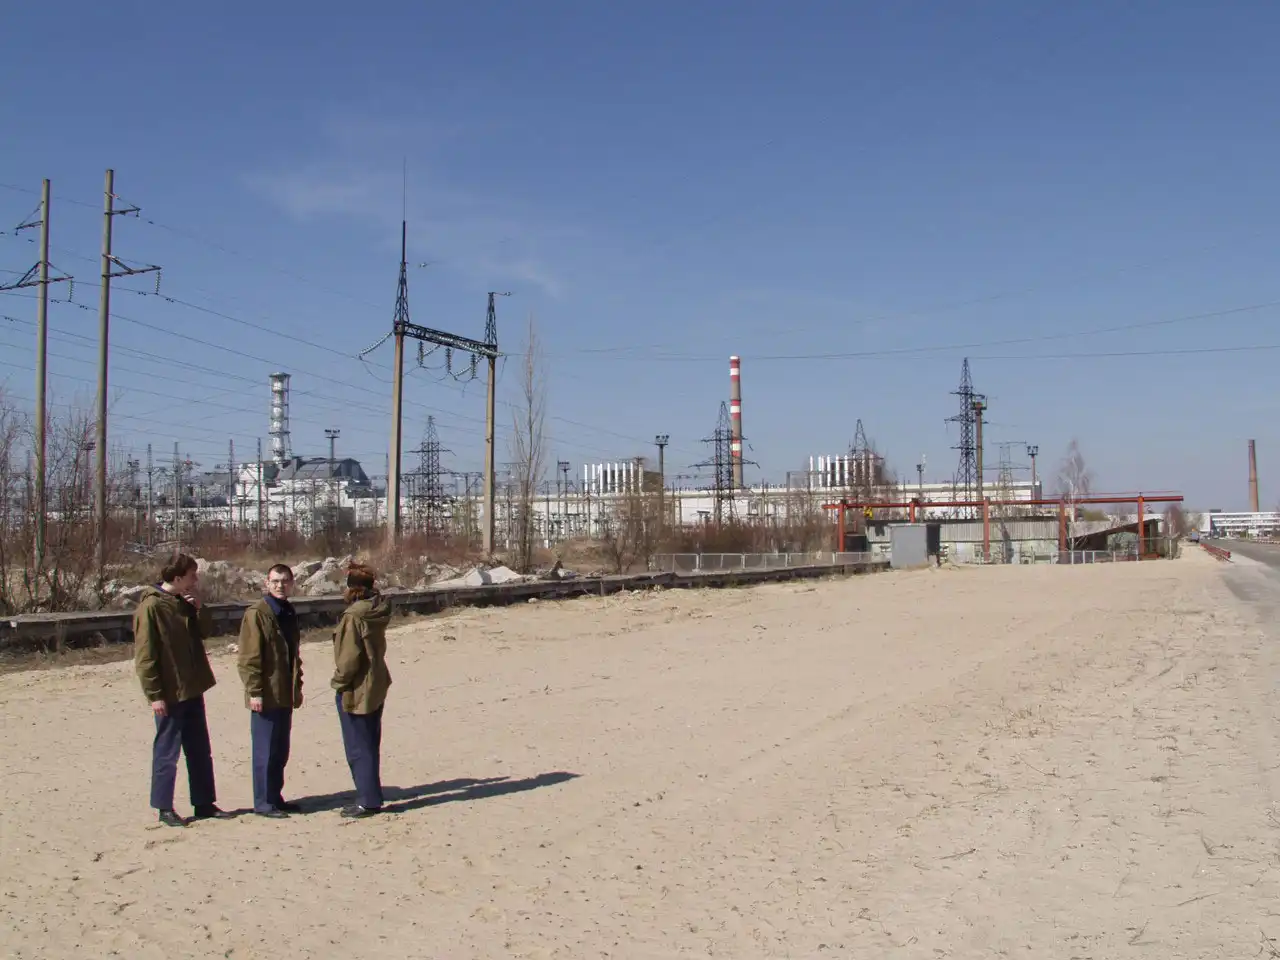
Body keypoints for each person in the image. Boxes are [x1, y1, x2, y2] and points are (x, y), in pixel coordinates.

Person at [133, 553, 233, 826]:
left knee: (200, 749)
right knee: (167, 752)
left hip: (192, 687)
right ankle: (164, 807)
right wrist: (155, 695)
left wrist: (200, 608)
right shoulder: (151, 607)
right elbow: (145, 656)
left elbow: (205, 632)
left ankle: (204, 802)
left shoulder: (184, 602)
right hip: (170, 691)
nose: (195, 580)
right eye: (191, 576)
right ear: (177, 578)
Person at [237, 563, 304, 818]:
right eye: (275, 581)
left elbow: (293, 654)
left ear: (292, 583)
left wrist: (297, 684)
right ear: (267, 583)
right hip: (265, 693)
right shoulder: (257, 614)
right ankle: (263, 802)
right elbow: (249, 658)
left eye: (285, 581)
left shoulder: (288, 611)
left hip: (284, 691)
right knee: (264, 750)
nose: (280, 585)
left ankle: (275, 797)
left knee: (280, 750)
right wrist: (254, 691)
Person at [331, 563, 392, 819]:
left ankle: (367, 801)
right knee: (369, 742)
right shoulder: (377, 608)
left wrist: (338, 682)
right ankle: (371, 796)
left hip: (357, 687)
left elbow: (348, 660)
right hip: (376, 681)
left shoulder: (353, 616)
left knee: (358, 747)